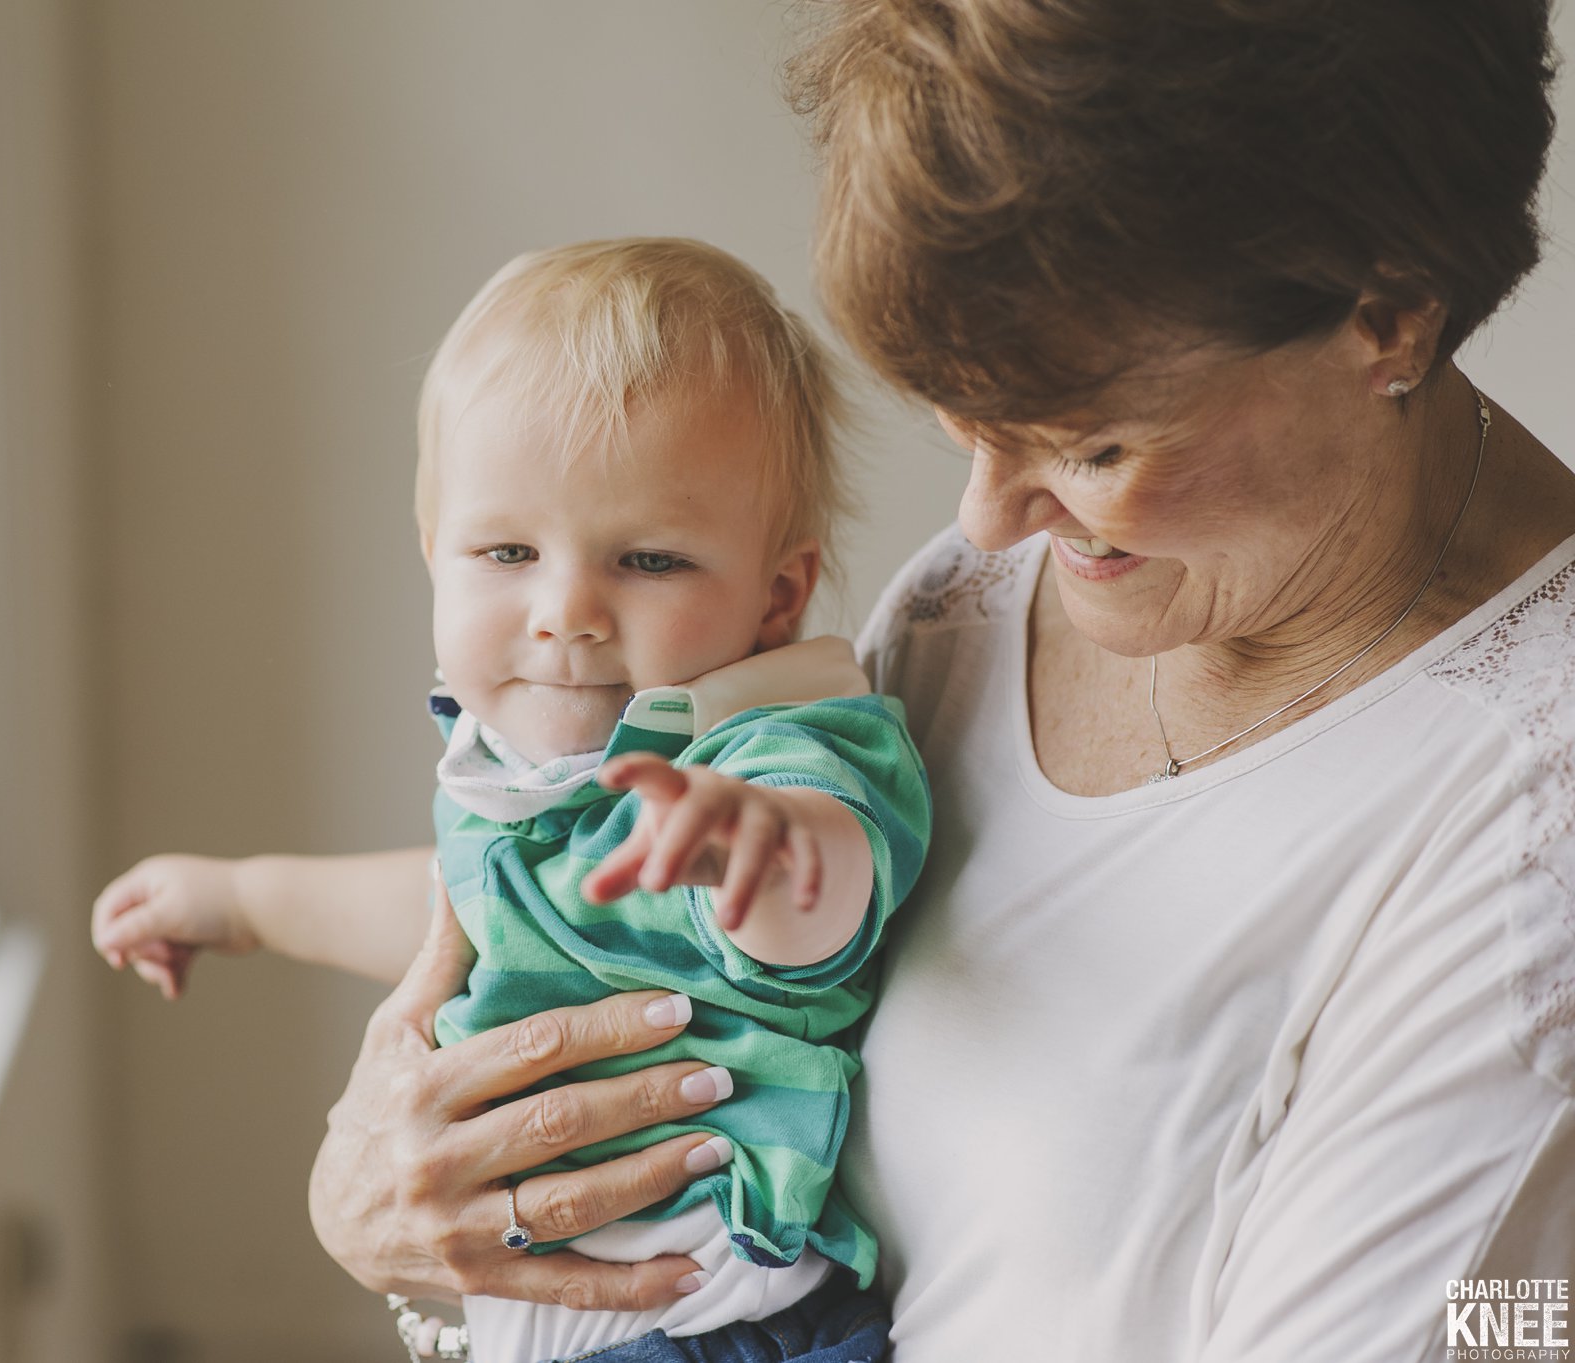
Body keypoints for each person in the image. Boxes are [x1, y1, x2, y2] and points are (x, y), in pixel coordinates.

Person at [284, 3, 1575, 1361]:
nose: (982, 518)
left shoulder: (1522, 854)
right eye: (965, 421)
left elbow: (1515, 1316)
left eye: (1087, 444)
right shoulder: (994, 602)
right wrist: (436, 1219)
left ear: (1388, 314)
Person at [93, 238, 931, 1363]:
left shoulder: (774, 744)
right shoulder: (516, 773)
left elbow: (822, 900)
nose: (564, 610)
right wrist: (242, 901)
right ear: (435, 554)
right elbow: (456, 912)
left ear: (776, 595)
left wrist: (753, 847)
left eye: (646, 560)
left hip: (721, 1314)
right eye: (506, 550)